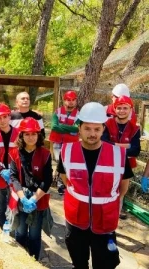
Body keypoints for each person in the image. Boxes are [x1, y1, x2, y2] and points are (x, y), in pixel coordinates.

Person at [57, 102, 133, 269]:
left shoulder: (118, 154)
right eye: (87, 128)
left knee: (104, 265)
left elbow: (123, 187)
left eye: (97, 129)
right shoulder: (66, 151)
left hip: (104, 223)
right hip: (76, 222)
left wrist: (109, 202)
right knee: (79, 263)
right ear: (80, 128)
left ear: (103, 129)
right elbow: (65, 179)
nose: (92, 134)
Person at [9, 117, 53, 260]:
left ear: (38, 135)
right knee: (20, 231)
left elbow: (47, 180)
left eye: (34, 133)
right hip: (20, 197)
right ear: (21, 135)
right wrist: (23, 198)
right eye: (27, 134)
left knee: (34, 234)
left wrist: (34, 198)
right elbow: (13, 177)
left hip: (38, 198)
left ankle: (34, 261)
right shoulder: (15, 153)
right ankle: (21, 261)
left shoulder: (45, 154)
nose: (30, 137)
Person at [102, 95, 140, 220]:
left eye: (125, 108)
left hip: (126, 166)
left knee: (120, 195)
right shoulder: (107, 124)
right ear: (114, 109)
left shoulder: (135, 128)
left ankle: (113, 222)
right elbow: (102, 142)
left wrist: (113, 146)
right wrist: (125, 146)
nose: (122, 111)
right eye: (119, 108)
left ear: (130, 110)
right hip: (107, 164)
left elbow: (135, 150)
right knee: (105, 192)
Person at [0, 103, 20, 228]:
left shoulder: (19, 134)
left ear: (9, 117)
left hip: (15, 177)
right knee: (0, 208)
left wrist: (13, 172)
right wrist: (1, 171)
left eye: (5, 117)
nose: (2, 120)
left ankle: (14, 232)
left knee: (14, 206)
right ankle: (2, 230)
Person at [48, 90, 80, 195]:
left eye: (73, 100)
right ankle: (58, 181)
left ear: (76, 101)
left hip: (70, 144)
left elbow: (76, 129)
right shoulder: (57, 112)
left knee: (66, 163)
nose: (70, 102)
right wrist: (69, 129)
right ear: (64, 100)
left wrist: (60, 126)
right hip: (57, 142)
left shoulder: (79, 115)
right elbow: (54, 126)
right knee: (59, 161)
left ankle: (62, 185)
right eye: (68, 100)